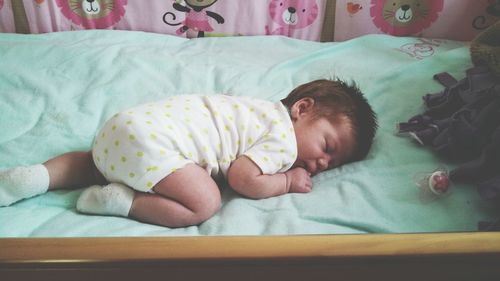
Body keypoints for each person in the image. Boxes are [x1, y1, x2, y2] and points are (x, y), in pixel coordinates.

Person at [0, 79, 377, 227]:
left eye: (335, 163)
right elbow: (242, 178)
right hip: (157, 144)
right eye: (328, 146)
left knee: (92, 162)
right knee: (203, 202)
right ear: (302, 108)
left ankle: (35, 177)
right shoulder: (281, 139)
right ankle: (121, 203)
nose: (324, 163)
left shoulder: (252, 109)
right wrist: (285, 181)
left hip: (125, 126)